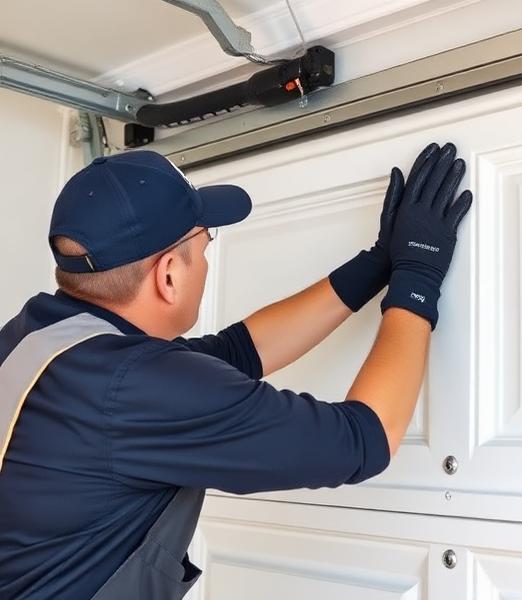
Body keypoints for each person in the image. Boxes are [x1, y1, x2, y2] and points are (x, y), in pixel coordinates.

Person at [0, 142, 472, 599]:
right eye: (205, 245)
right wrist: (417, 282)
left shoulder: (37, 338)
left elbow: (236, 351)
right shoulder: (136, 386)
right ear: (168, 275)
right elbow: (365, 438)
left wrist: (376, 265)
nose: (206, 261)